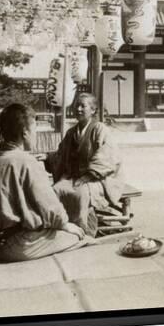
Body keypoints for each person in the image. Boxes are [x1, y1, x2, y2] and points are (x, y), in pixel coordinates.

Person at [0, 103, 87, 263]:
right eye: (35, 130)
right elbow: (50, 207)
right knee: (79, 236)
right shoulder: (25, 161)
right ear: (25, 133)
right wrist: (66, 225)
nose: (36, 135)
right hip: (17, 244)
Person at [49, 93, 123, 237]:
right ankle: (60, 226)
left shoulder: (100, 129)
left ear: (93, 110)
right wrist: (47, 158)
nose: (79, 109)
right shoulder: (71, 132)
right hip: (74, 177)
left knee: (80, 194)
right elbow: (61, 154)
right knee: (56, 189)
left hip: (98, 178)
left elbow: (107, 155)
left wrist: (88, 176)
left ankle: (83, 231)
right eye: (77, 105)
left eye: (83, 106)